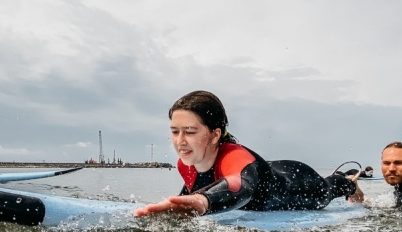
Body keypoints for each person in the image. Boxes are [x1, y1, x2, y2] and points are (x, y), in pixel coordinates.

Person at [133, 91, 363, 217]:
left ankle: (350, 180)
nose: (180, 141)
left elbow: (238, 185)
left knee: (330, 188)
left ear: (215, 134)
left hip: (300, 183)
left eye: (190, 132)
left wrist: (203, 202)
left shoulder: (233, 157)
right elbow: (192, 193)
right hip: (268, 168)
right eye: (174, 131)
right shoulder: (186, 164)